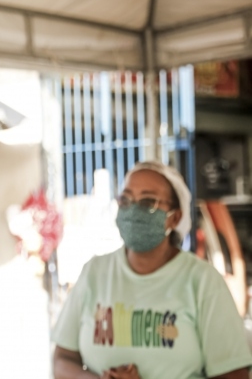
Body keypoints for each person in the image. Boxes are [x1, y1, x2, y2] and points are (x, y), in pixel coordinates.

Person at [52, 161, 252, 379]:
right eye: (125, 200)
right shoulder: (95, 273)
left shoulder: (202, 282)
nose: (134, 209)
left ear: (175, 217)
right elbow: (62, 360)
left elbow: (235, 374)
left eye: (148, 202)